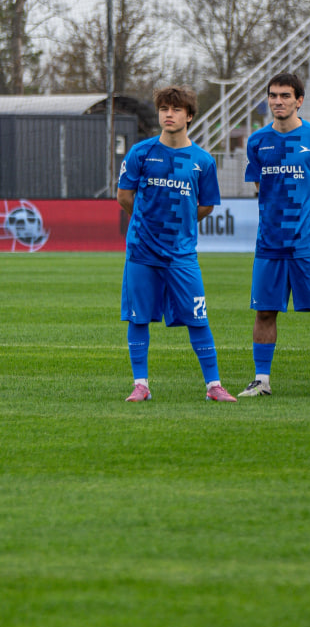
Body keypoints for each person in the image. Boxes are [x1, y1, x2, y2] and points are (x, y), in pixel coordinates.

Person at [118, 85, 234, 402]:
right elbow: (124, 197)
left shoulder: (202, 161)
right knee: (138, 317)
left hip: (181, 255)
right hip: (142, 251)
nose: (169, 115)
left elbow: (207, 204)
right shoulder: (140, 153)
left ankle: (214, 386)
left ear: (189, 116)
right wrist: (147, 222)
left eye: (176, 109)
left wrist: (179, 225)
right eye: (164, 109)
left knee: (198, 317)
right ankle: (140, 384)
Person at [239, 72, 310, 398]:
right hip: (270, 244)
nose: (278, 101)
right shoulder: (257, 141)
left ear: (299, 100)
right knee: (265, 311)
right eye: (273, 95)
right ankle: (261, 380)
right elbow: (260, 187)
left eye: (285, 96)